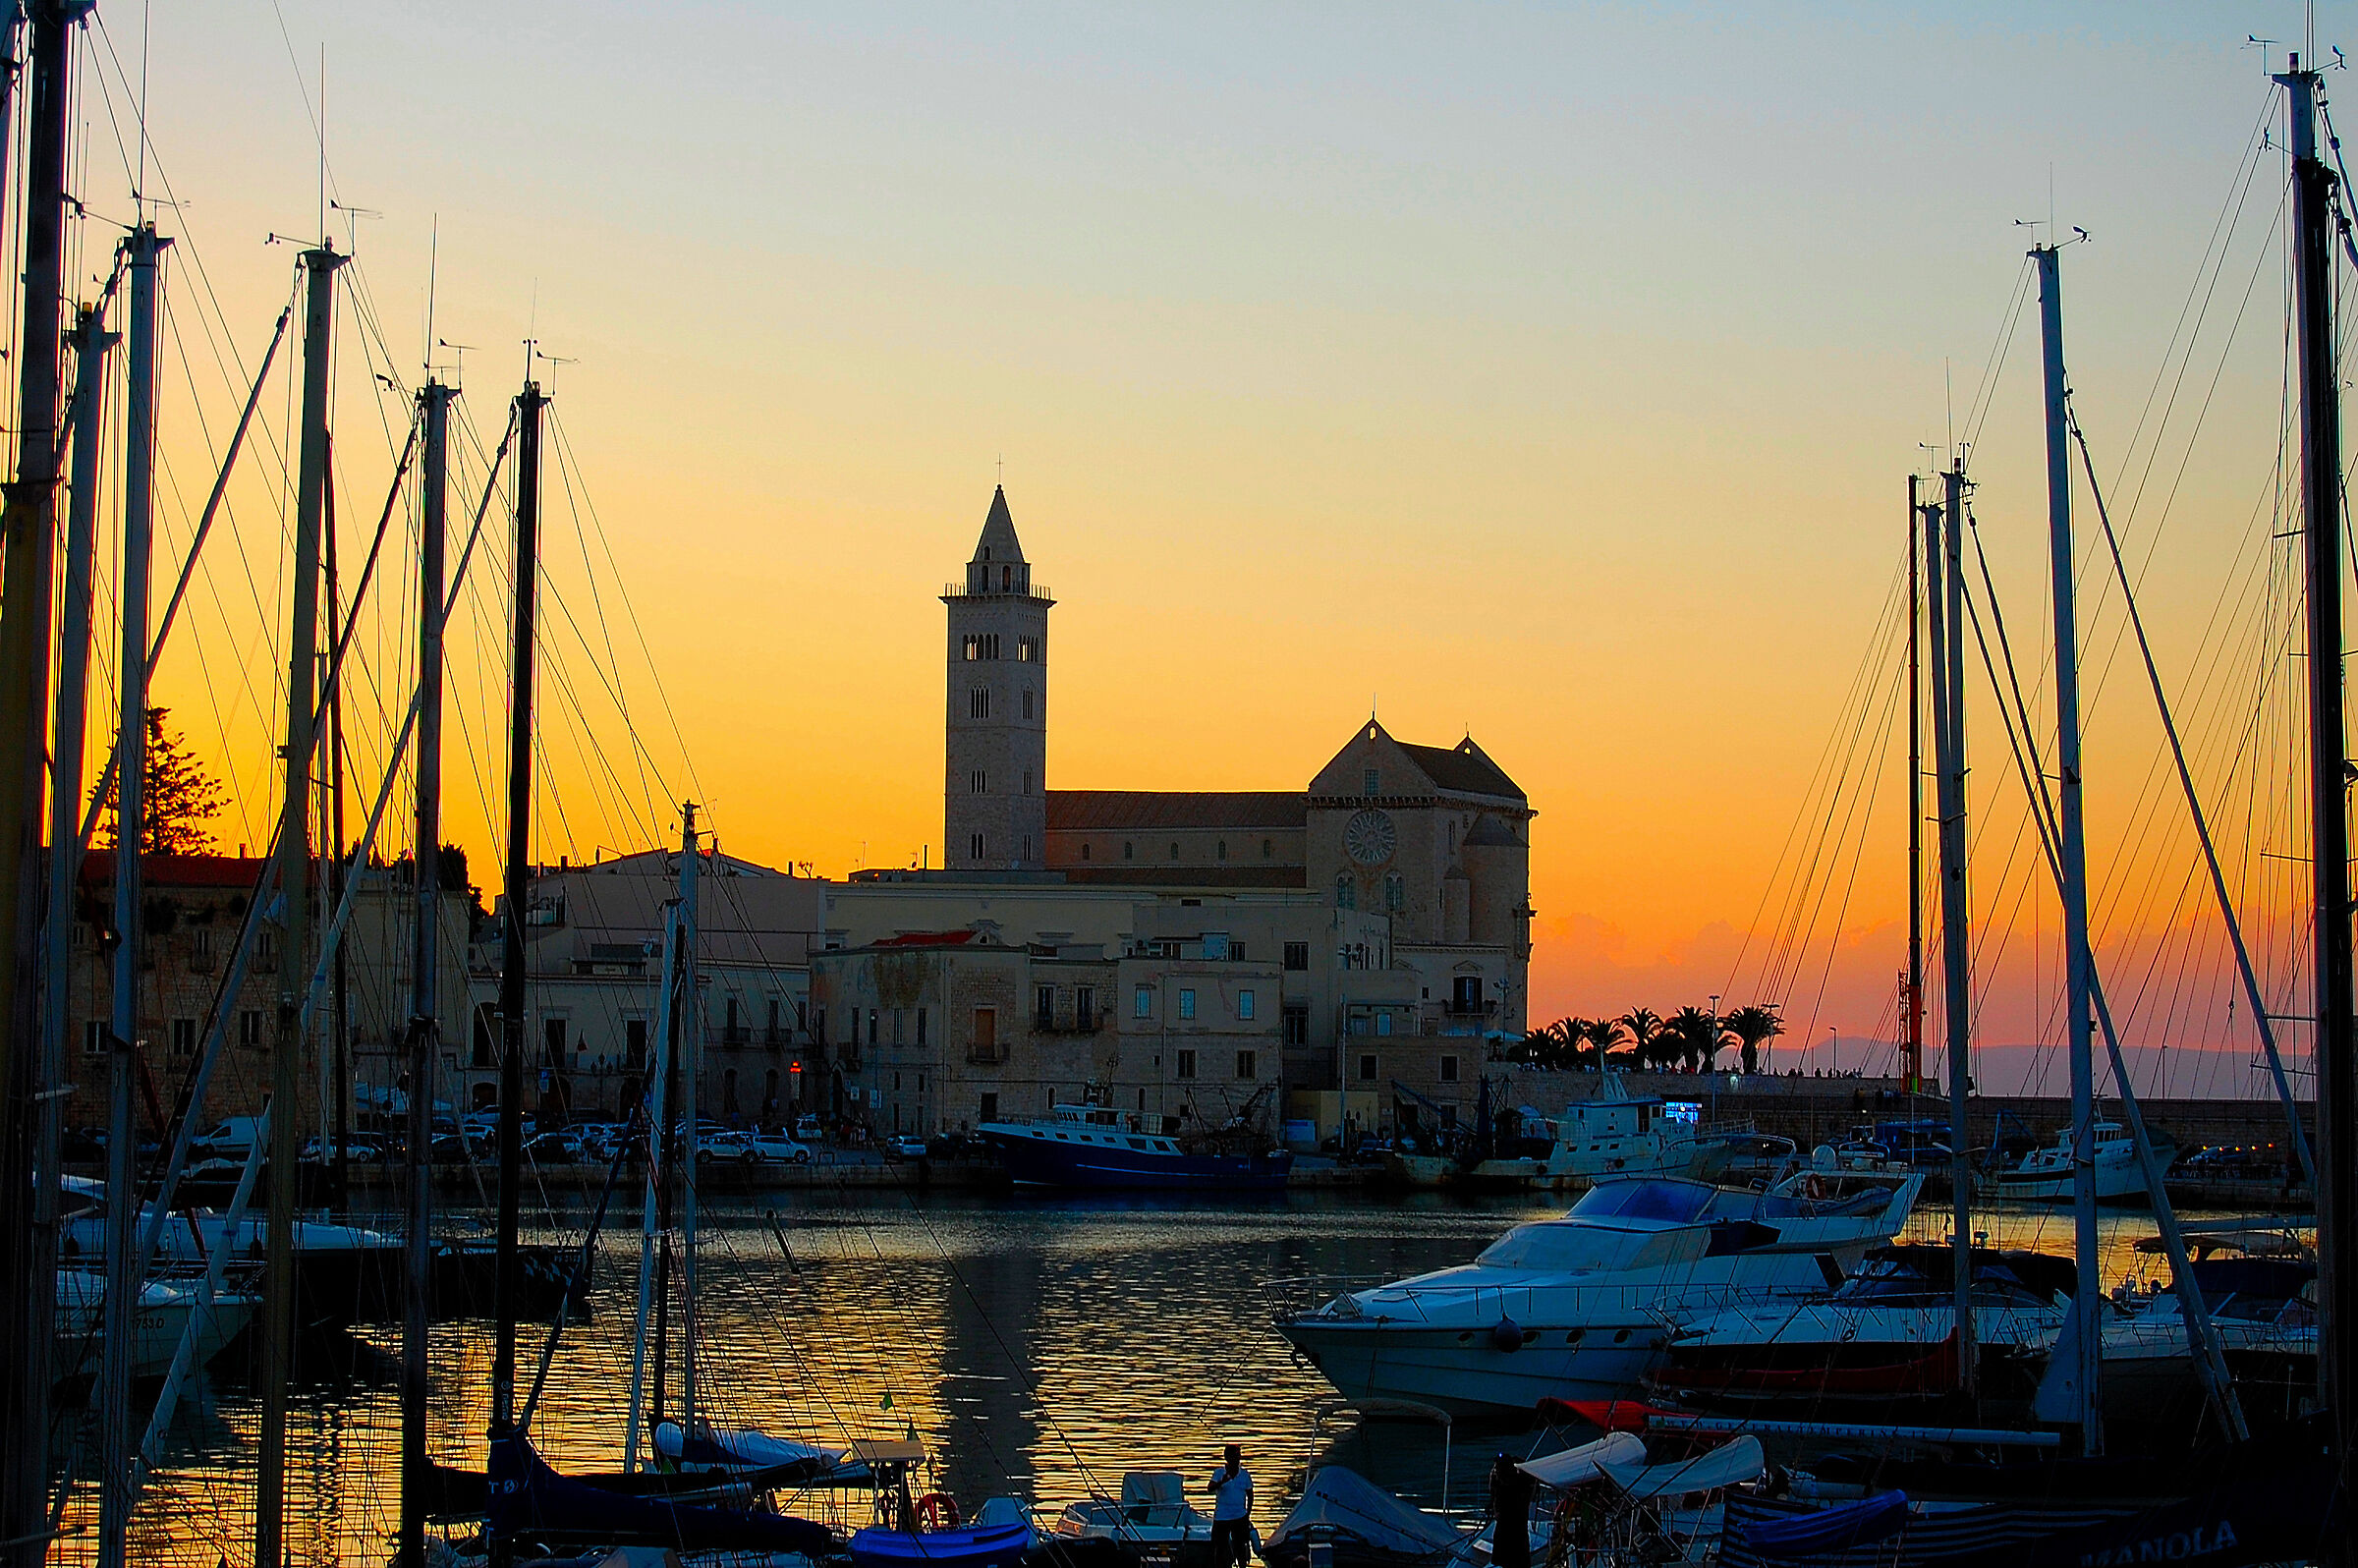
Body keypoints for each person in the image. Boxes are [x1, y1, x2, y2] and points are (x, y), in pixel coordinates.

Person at [1206, 1444, 1254, 1568]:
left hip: (1239, 1516)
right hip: (1222, 1517)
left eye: (1239, 1455)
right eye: (1235, 1455)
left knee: (1240, 1547)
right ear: (1227, 1457)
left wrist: (1247, 1513)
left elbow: (1250, 1494)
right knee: (1220, 1547)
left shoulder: (1244, 1474)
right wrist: (1222, 1481)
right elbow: (1209, 1488)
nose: (1238, 1458)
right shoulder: (1219, 1472)